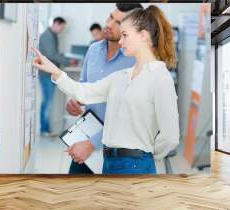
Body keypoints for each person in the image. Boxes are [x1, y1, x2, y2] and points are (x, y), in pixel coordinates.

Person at [33, 5, 180, 174]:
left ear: (143, 36)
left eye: (125, 35)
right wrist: (54, 70)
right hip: (109, 161)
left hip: (135, 163)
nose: (120, 41)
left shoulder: (160, 77)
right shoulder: (122, 76)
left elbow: (170, 137)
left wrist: (147, 155)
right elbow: (84, 91)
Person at [66, 3, 142, 174]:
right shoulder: (93, 50)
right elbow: (84, 86)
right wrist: (75, 101)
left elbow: (129, 116)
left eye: (118, 22)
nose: (108, 24)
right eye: (110, 17)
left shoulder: (136, 61)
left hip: (119, 150)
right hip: (87, 139)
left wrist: (93, 143)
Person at [38, 17, 76, 137]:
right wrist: (68, 61)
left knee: (48, 102)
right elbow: (51, 54)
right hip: (46, 74)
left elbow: (54, 53)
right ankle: (44, 130)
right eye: (62, 27)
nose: (62, 30)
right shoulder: (47, 36)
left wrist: (65, 58)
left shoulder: (52, 35)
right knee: (47, 103)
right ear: (56, 23)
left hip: (49, 73)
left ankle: (46, 129)